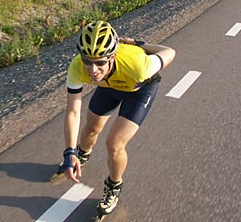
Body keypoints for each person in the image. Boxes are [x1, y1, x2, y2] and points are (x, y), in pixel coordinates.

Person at [57, 20, 176, 217]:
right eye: (87, 60)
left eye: (100, 62)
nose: (93, 70)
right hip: (109, 87)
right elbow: (72, 111)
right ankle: (82, 154)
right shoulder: (77, 67)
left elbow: (170, 51)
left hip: (139, 90)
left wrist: (139, 44)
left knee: (114, 144)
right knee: (91, 128)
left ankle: (114, 186)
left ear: (112, 56)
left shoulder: (139, 65)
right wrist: (69, 151)